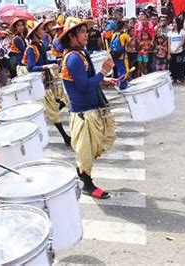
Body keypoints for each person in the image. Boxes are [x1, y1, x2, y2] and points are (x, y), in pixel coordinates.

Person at [59, 17, 117, 199]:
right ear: (72, 36)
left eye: (85, 31)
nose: (86, 35)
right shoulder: (74, 58)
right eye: (82, 32)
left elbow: (85, 79)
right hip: (83, 112)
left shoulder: (80, 54)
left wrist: (103, 79)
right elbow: (83, 86)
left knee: (98, 143)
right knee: (86, 151)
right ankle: (87, 184)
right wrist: (103, 72)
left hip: (91, 108)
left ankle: (81, 172)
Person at [22, 21, 71, 146]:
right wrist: (47, 66)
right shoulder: (31, 49)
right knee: (51, 109)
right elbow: (31, 67)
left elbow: (44, 61)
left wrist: (55, 61)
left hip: (44, 81)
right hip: (38, 83)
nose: (44, 31)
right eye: (42, 29)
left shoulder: (41, 45)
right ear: (35, 33)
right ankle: (65, 137)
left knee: (51, 107)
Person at [109, 21, 130, 90]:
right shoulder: (124, 35)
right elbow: (131, 42)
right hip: (122, 56)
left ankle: (119, 84)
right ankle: (123, 85)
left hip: (114, 55)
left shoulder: (114, 34)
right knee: (124, 70)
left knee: (118, 70)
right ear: (123, 26)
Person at [168, 17, 185, 84]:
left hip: (179, 51)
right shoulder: (170, 32)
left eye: (175, 22)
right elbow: (169, 43)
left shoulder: (182, 31)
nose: (174, 24)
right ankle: (173, 77)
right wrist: (169, 52)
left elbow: (183, 41)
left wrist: (177, 47)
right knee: (172, 65)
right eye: (173, 22)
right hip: (172, 51)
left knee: (179, 65)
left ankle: (179, 78)